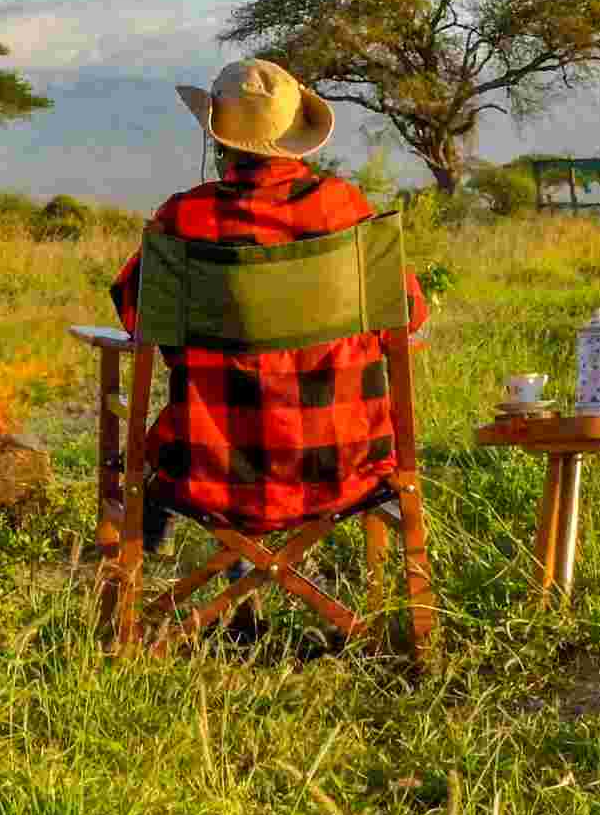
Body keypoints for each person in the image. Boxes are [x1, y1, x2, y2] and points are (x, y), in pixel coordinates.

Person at [108, 56, 433, 556]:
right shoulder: (345, 208)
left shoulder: (185, 217)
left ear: (219, 141)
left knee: (168, 435)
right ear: (295, 136)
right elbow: (408, 312)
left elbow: (136, 315)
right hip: (349, 467)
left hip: (207, 473)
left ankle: (177, 546)